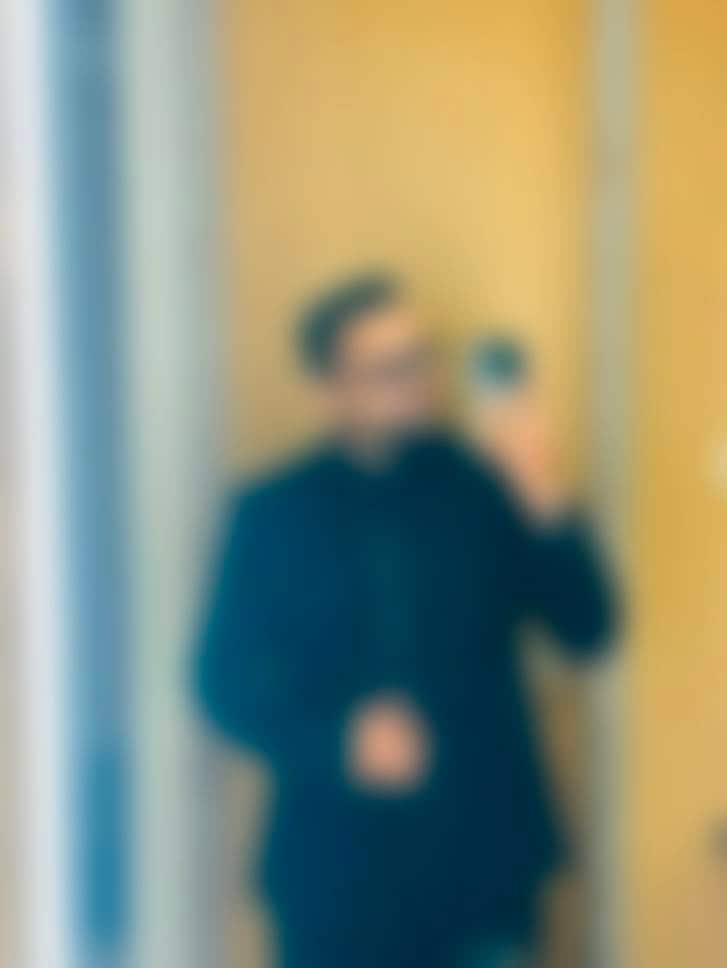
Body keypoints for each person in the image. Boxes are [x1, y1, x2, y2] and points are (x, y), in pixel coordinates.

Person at [195, 272, 615, 968]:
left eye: (422, 359)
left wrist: (543, 498)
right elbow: (220, 681)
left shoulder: (482, 490)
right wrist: (337, 742)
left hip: (482, 872)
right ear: (329, 388)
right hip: (333, 879)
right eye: (390, 369)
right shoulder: (272, 514)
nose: (419, 384)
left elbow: (588, 627)